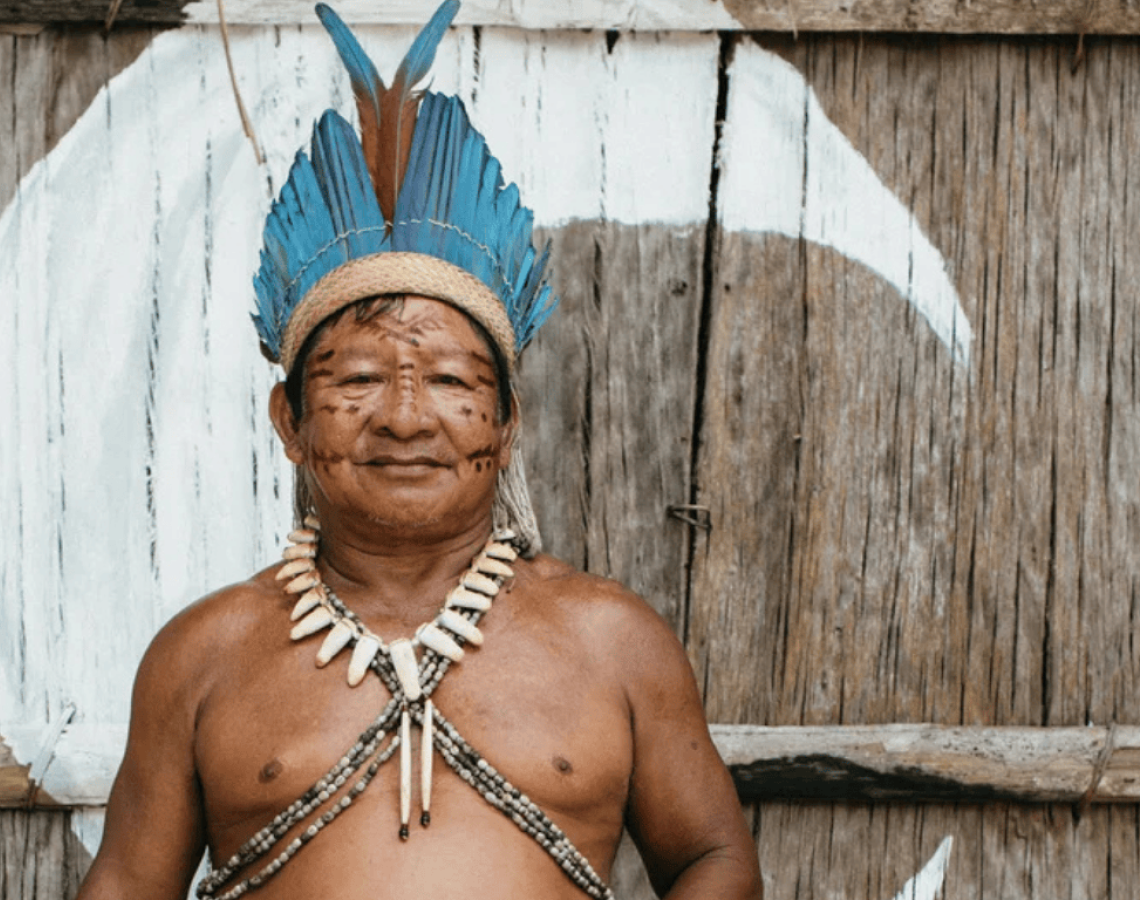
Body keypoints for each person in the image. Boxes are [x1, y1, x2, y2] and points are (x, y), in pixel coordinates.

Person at [76, 4, 761, 899]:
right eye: (356, 382)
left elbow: (715, 860)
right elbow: (126, 885)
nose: (404, 419)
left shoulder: (613, 643)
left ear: (506, 425)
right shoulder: (204, 656)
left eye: (448, 382)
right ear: (289, 420)